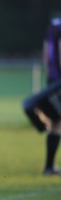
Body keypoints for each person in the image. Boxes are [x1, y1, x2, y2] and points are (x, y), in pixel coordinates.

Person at [42, 16, 61, 176]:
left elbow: (45, 51)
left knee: (56, 123)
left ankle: (49, 166)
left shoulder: (54, 24)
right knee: (58, 123)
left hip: (53, 79)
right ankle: (49, 167)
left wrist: (50, 76)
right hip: (59, 80)